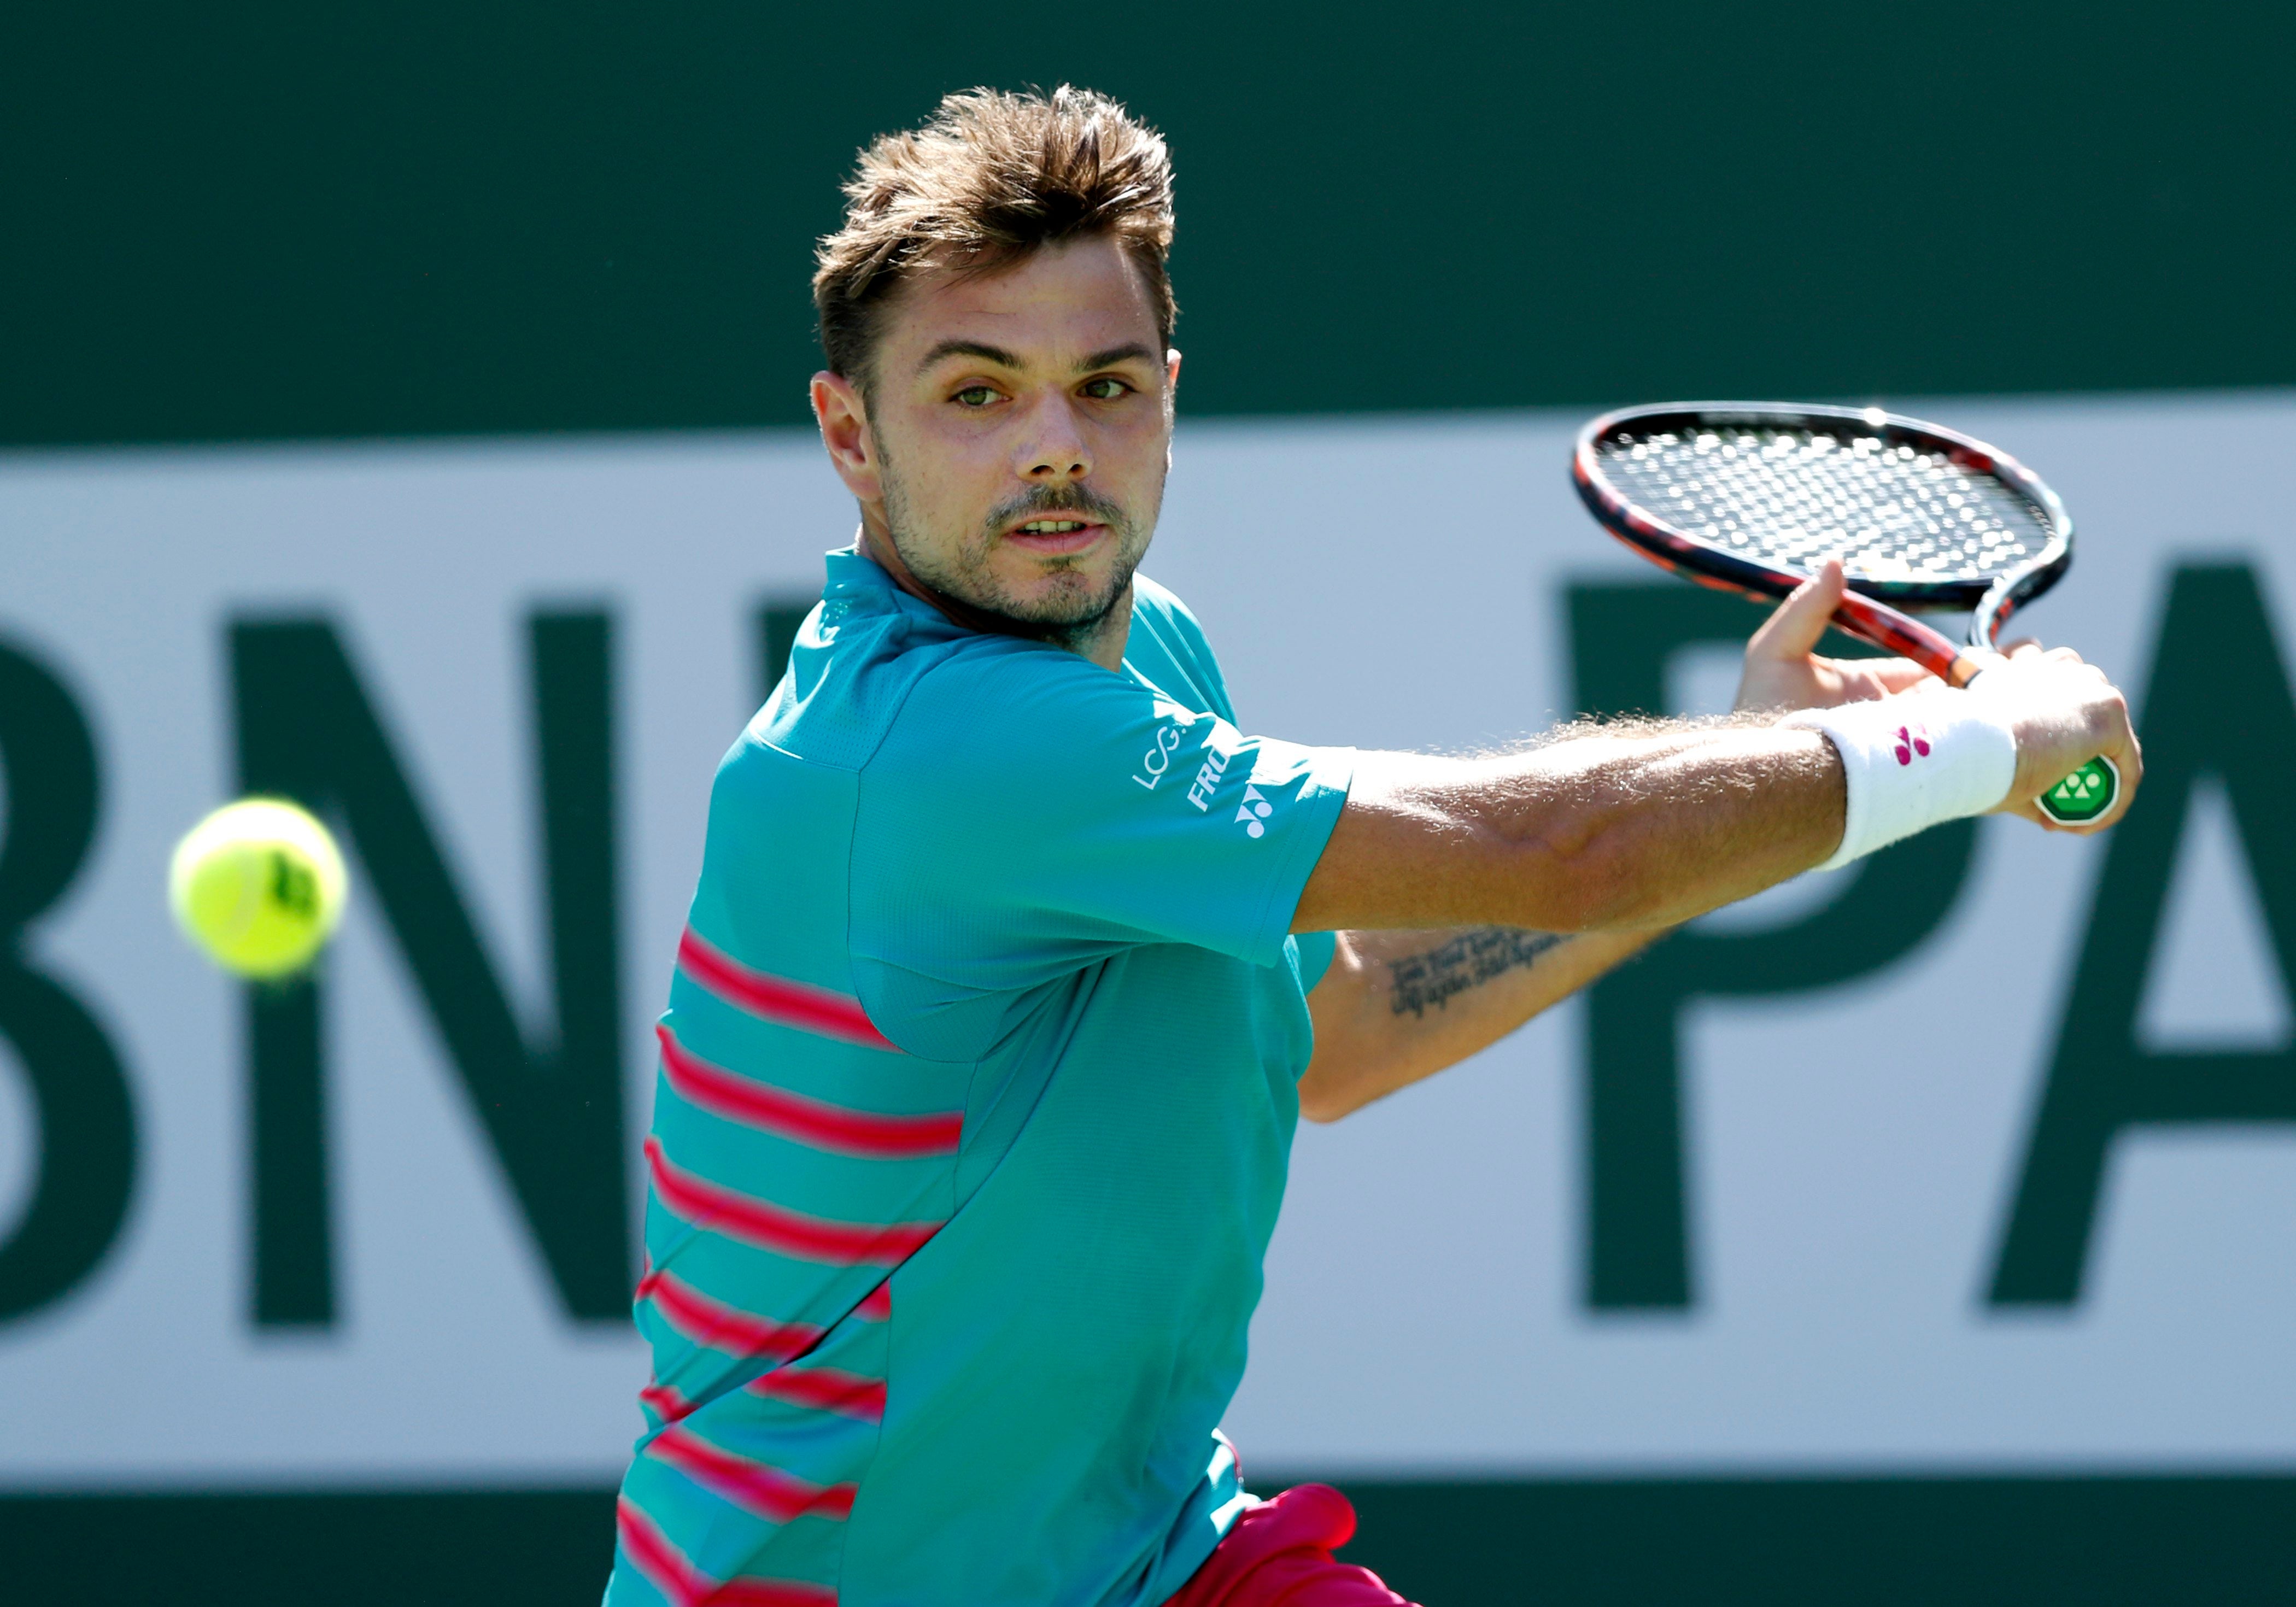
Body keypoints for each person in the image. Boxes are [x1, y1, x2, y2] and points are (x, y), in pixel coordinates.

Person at [602, 86, 2140, 1607]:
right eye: (980, 393)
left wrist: (1767, 775)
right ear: (851, 437)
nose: (1057, 448)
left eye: (1110, 386)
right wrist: (1981, 745)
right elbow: (1564, 847)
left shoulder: (1150, 657)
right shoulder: (923, 750)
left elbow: (1337, 1031)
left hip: (1159, 1563)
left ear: (1170, 397)